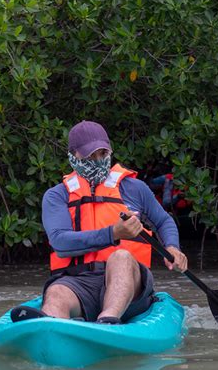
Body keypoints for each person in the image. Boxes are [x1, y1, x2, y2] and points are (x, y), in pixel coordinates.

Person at [11, 121, 188, 324]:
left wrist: (173, 248)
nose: (97, 161)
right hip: (79, 281)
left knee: (120, 257)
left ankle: (107, 320)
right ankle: (50, 332)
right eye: (89, 156)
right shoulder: (57, 196)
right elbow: (60, 242)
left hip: (130, 286)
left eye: (102, 154)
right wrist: (113, 233)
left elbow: (164, 221)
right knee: (56, 292)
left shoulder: (134, 188)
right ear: (73, 157)